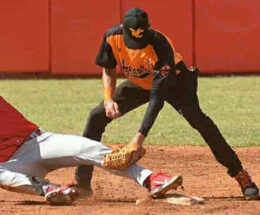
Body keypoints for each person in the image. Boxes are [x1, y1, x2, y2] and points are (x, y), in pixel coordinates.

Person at [73, 8, 259, 200]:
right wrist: (108, 99)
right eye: (133, 42)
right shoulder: (113, 37)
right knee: (96, 117)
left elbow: (157, 98)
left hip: (176, 83)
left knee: (201, 122)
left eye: (141, 42)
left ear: (150, 29)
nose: (137, 46)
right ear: (123, 29)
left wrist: (138, 139)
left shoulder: (161, 45)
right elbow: (109, 69)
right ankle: (82, 183)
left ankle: (241, 175)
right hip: (141, 83)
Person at [0, 83, 182, 205]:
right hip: (18, 164)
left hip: (38, 143)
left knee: (88, 149)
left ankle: (150, 179)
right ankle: (52, 190)